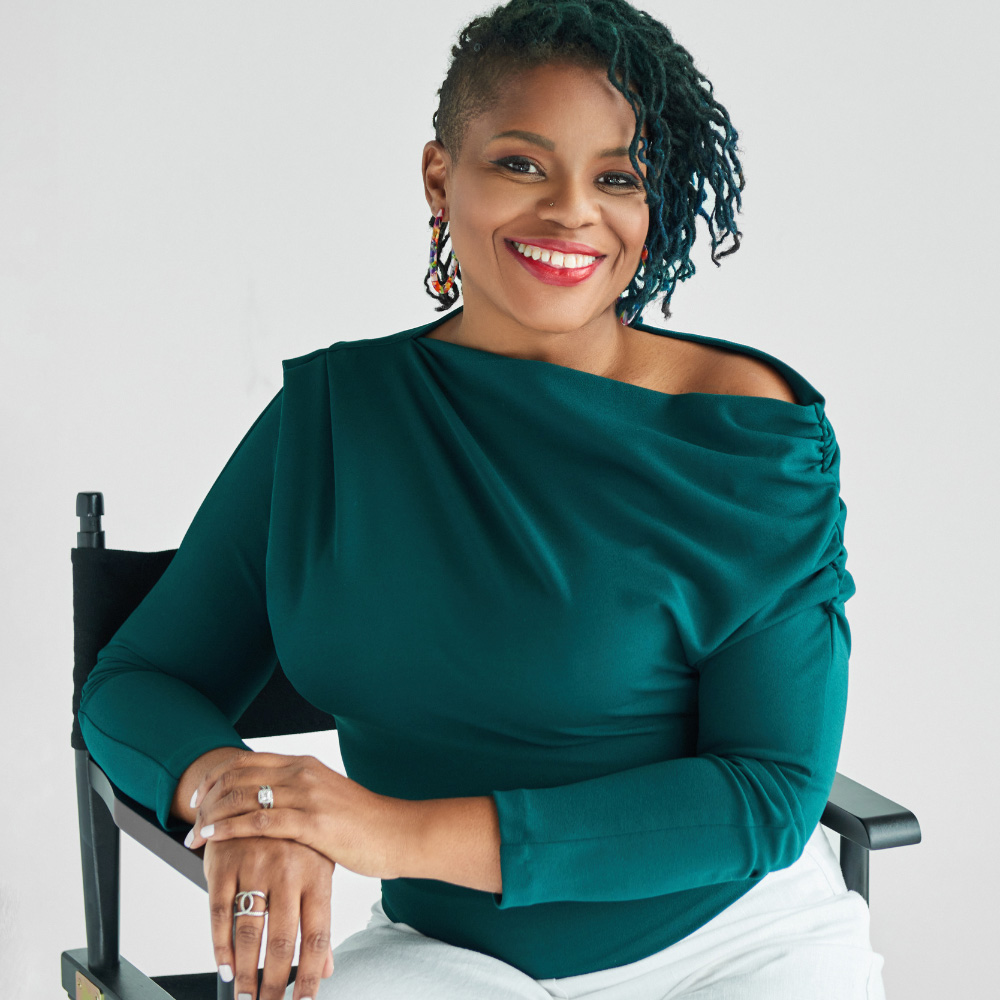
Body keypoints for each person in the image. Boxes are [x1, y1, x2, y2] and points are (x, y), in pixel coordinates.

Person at [77, 1, 888, 998]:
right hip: (446, 956)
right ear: (438, 177)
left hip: (734, 944)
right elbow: (136, 678)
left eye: (616, 177)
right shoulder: (336, 420)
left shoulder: (745, 438)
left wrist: (374, 827)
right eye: (520, 163)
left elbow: (763, 796)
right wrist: (240, 801)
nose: (570, 212)